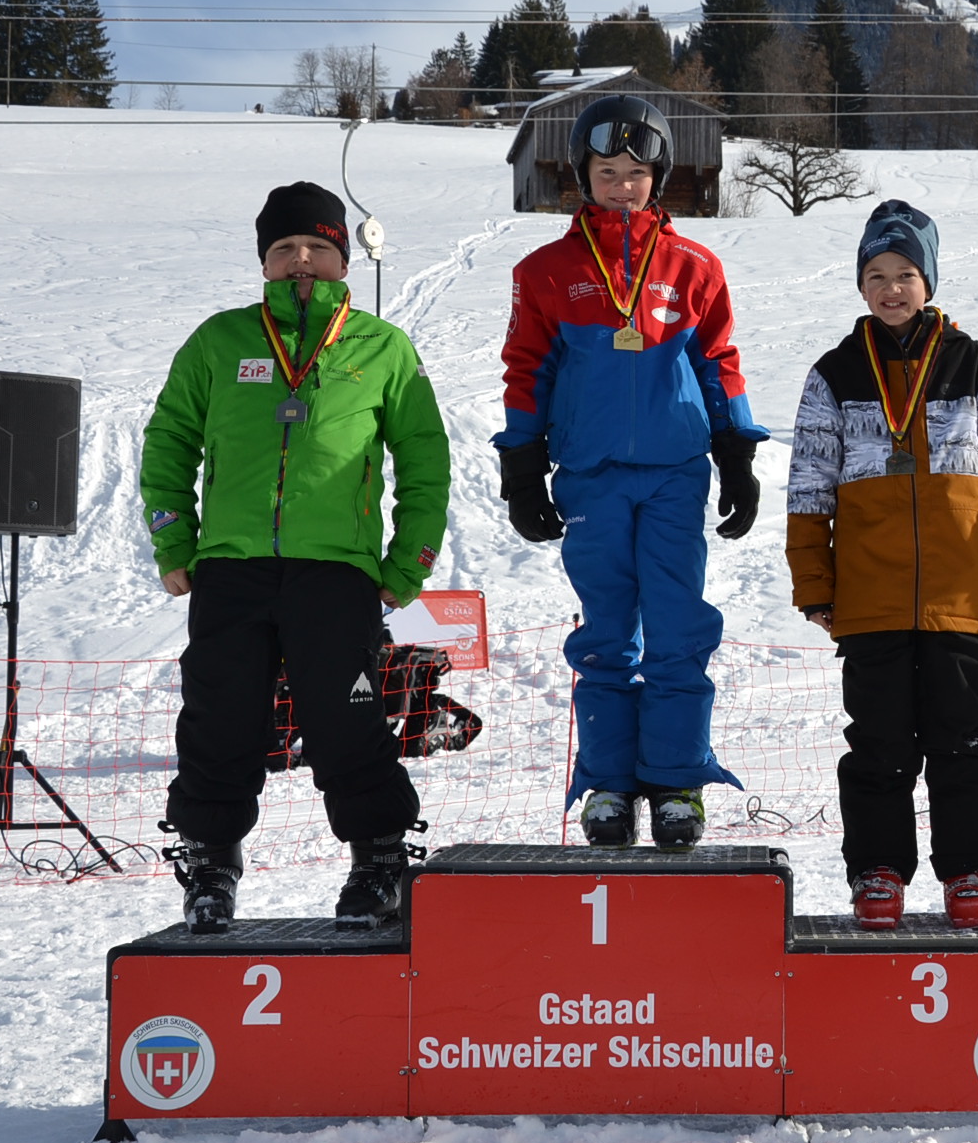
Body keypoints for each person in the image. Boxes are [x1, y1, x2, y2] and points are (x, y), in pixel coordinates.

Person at [141, 182, 450, 933]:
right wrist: (174, 540)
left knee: (346, 719)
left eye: (315, 246)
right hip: (231, 568)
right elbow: (168, 441)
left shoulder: (382, 347)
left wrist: (408, 561)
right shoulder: (219, 341)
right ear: (264, 262)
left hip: (337, 571)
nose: (300, 260)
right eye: (284, 248)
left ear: (343, 258)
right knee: (218, 718)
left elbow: (424, 458)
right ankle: (210, 863)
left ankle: (378, 860)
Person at [496, 95, 767, 849]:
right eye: (607, 171)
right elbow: (526, 370)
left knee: (678, 625)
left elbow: (719, 362)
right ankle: (609, 785)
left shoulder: (694, 267)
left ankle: (677, 781)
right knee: (608, 632)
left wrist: (736, 451)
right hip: (591, 474)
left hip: (676, 472)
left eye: (636, 173)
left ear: (659, 177)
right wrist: (522, 463)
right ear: (582, 175)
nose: (622, 186)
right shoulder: (545, 272)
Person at [787, 201, 978, 930]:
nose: (891, 288)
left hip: (957, 598)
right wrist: (815, 586)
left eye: (905, 274)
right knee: (878, 748)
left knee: (965, 743)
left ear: (928, 280)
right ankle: (878, 872)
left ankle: (969, 872)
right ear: (860, 285)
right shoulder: (835, 373)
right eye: (876, 275)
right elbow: (808, 487)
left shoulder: (971, 366)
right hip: (869, 602)